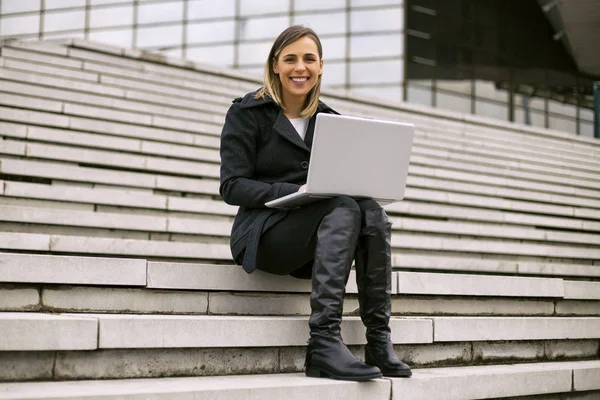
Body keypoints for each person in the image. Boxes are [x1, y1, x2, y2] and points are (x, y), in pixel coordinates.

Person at [219, 25, 412, 381]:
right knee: (342, 207)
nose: (300, 67)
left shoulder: (333, 122)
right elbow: (232, 186)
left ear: (321, 65)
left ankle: (378, 341)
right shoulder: (247, 113)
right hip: (263, 234)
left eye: (309, 59)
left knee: (371, 211)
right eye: (290, 59)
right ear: (275, 64)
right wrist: (295, 192)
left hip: (320, 235)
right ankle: (323, 344)